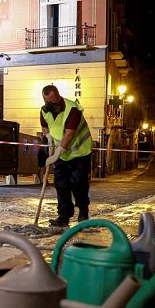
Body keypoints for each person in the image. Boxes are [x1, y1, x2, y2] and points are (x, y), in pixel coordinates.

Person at [40, 84, 93, 227]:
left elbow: (69, 133)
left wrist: (57, 153)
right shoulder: (45, 110)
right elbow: (44, 126)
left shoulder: (72, 109)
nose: (49, 105)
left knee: (78, 183)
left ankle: (83, 211)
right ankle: (63, 217)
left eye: (51, 101)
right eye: (46, 102)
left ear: (58, 96)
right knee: (61, 185)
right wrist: (49, 138)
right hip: (62, 155)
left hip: (80, 152)